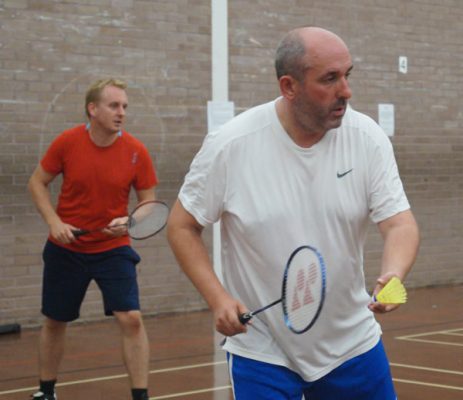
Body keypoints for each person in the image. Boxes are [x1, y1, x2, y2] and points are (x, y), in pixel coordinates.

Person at [167, 27, 420, 399]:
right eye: (330, 79)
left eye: (347, 75)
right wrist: (217, 298)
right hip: (262, 350)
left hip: (351, 345)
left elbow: (399, 222)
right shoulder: (231, 146)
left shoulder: (367, 139)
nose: (346, 91)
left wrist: (393, 274)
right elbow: (182, 225)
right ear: (289, 86)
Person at [28, 78, 157, 400]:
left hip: (113, 249)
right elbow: (36, 183)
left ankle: (140, 396)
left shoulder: (136, 151)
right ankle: (46, 391)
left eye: (125, 106)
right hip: (66, 248)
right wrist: (54, 221)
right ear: (93, 109)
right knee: (56, 320)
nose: (121, 112)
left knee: (131, 319)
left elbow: (148, 205)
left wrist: (129, 222)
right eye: (114, 105)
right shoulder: (67, 142)